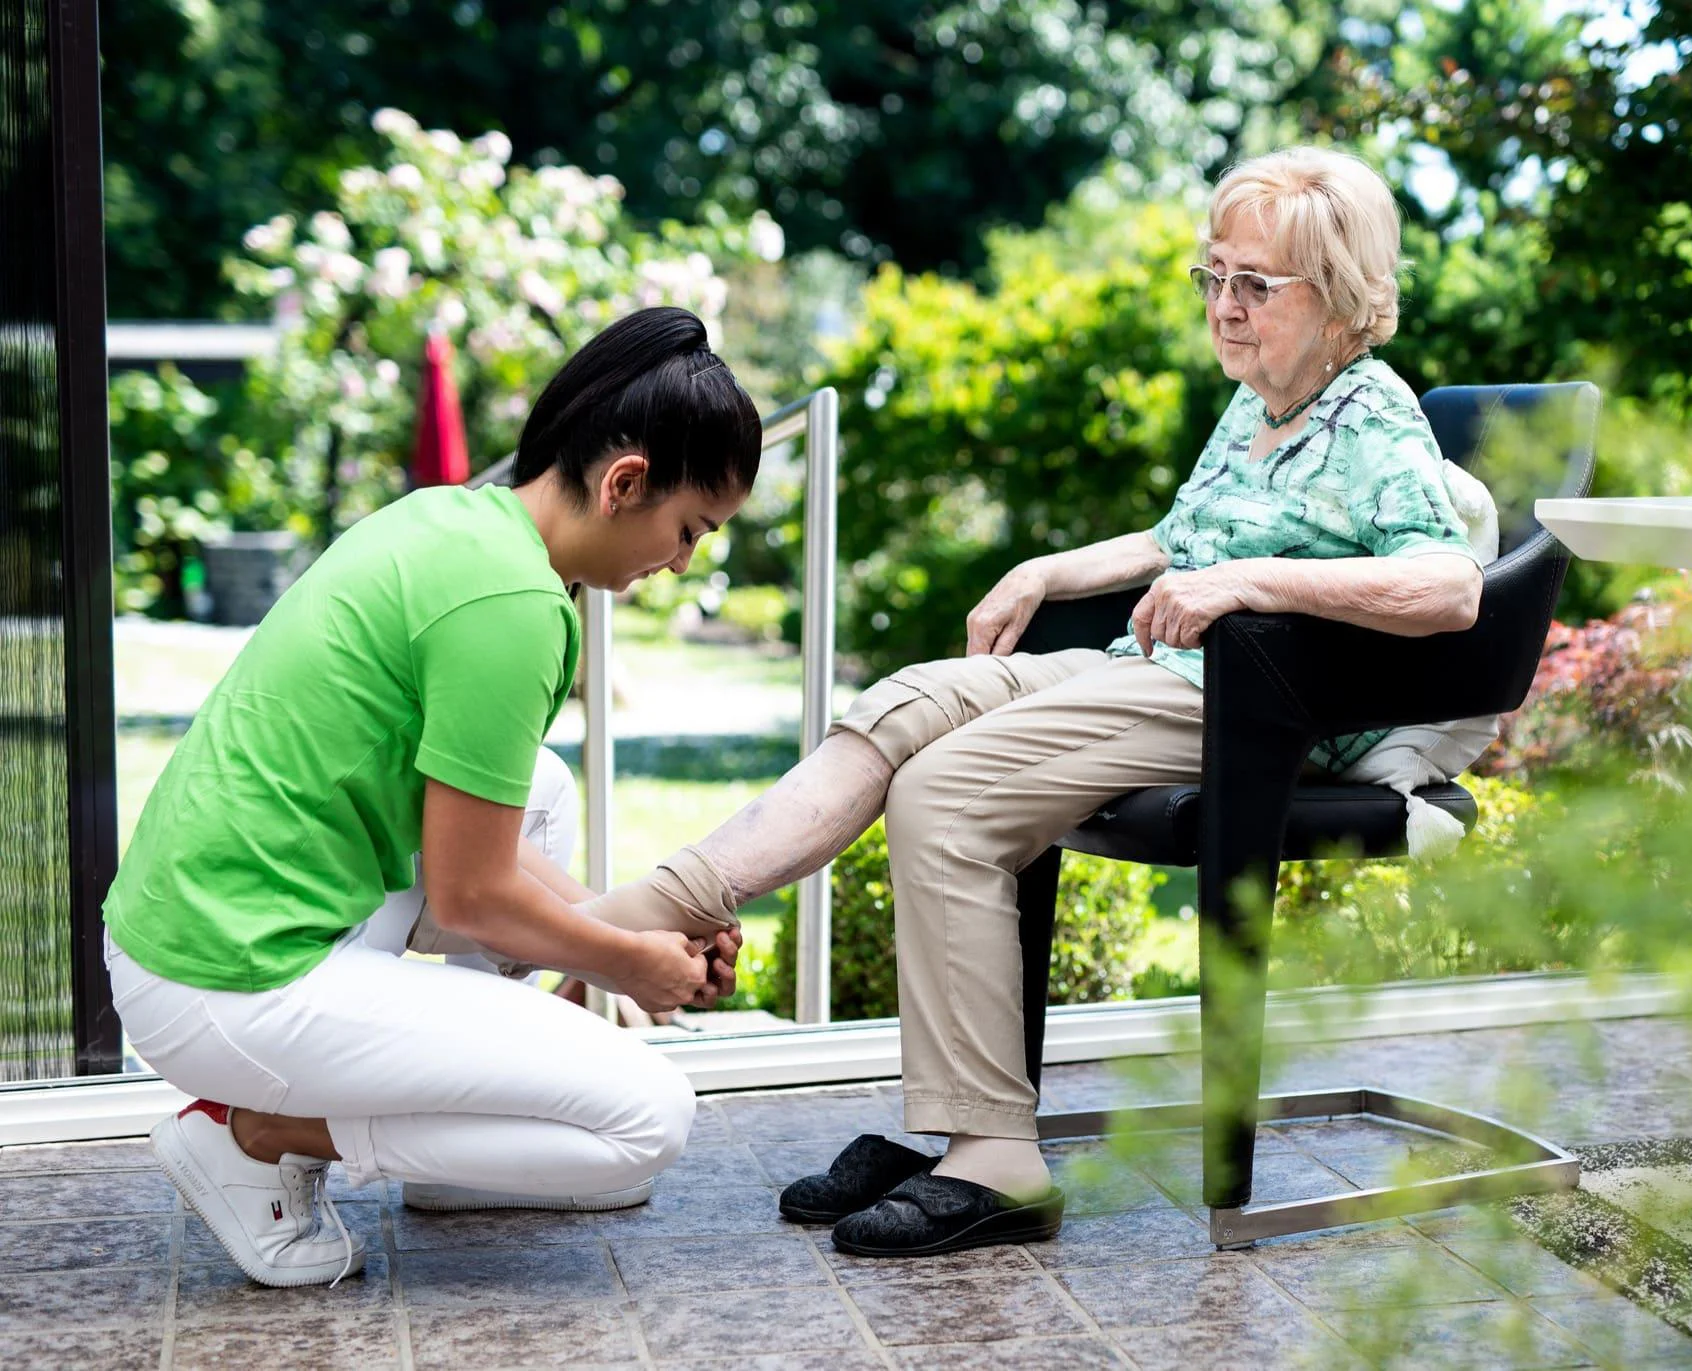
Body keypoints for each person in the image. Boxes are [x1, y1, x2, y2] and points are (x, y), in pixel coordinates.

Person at [427, 146, 1487, 1257]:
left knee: (952, 792)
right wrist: (1050, 572)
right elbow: (1182, 541)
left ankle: (996, 1159)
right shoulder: (1261, 404)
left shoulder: (1372, 416)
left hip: (1256, 703)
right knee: (897, 711)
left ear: (1345, 295)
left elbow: (1447, 585)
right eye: (1212, 276)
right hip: (1155, 673)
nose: (1224, 308)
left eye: (1255, 287)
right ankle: (633, 923)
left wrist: (1246, 584)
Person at [104, 307, 757, 1287]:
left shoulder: (456, 522)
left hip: (196, 934)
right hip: (235, 981)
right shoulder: (515, 610)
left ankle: (457, 1150)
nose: (681, 561)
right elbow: (469, 900)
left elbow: (457, 829)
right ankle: (260, 1135)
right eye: (688, 530)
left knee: (534, 788)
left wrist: (645, 926)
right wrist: (630, 965)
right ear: (626, 483)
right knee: (645, 1121)